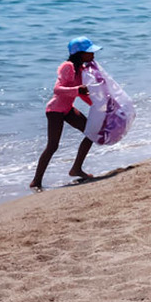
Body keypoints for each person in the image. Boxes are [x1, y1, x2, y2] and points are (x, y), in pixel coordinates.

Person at [30, 38, 98, 189]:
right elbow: (57, 89)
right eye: (90, 52)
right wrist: (77, 90)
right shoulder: (68, 67)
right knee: (53, 146)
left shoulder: (81, 70)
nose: (93, 54)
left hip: (67, 109)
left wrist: (97, 106)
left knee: (92, 132)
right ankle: (36, 181)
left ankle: (76, 169)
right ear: (80, 54)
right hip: (55, 111)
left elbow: (82, 94)